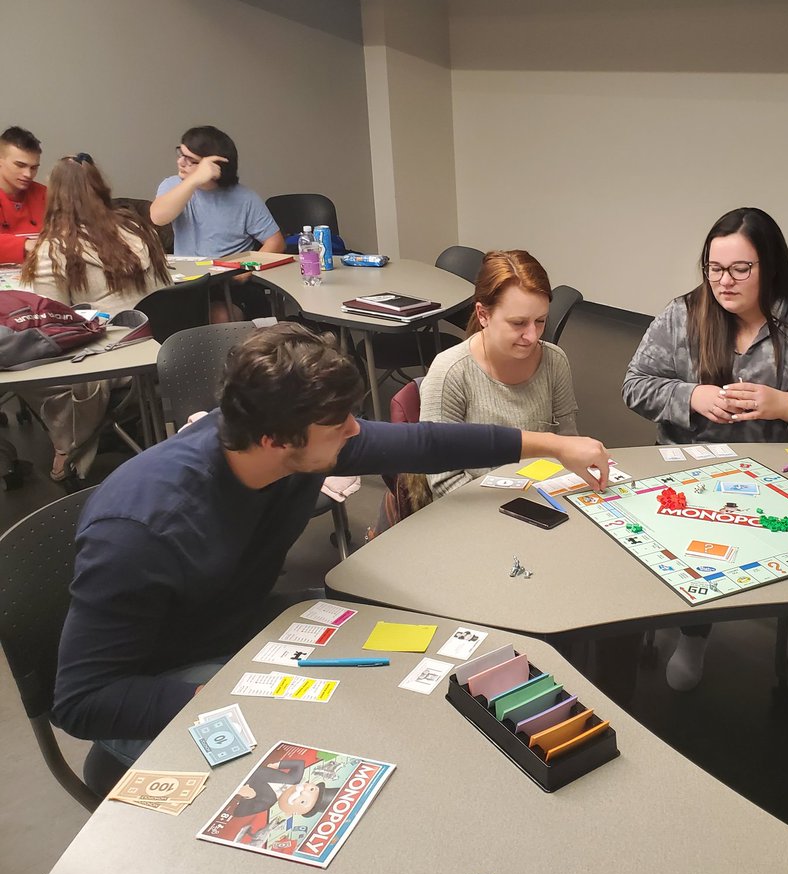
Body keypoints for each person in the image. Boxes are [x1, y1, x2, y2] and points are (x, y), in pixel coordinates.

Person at [52, 322, 610, 761]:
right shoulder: (139, 532)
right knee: (336, 748)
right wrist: (243, 696)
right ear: (274, 440)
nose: (354, 431)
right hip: (166, 684)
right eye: (338, 423)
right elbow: (83, 702)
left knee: (411, 654)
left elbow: (423, 442)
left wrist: (551, 445)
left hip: (243, 627)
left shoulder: (291, 434)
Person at [622, 207, 788, 713]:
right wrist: (690, 396)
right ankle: (694, 634)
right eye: (714, 269)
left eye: (741, 269)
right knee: (692, 542)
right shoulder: (684, 313)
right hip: (701, 468)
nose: (724, 282)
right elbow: (634, 385)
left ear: (771, 265)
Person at [17, 153, 171, 480]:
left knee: (23, 370)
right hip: (163, 348)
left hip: (112, 362)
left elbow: (50, 324)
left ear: (54, 196)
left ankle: (70, 440)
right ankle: (88, 431)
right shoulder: (138, 229)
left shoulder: (55, 248)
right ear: (101, 187)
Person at [420, 249, 578, 497]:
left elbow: (568, 443)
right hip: (477, 508)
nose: (533, 336)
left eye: (540, 321)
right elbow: (443, 481)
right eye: (518, 323)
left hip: (543, 495)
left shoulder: (554, 361)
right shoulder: (450, 372)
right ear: (483, 315)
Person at [149, 125, 284, 257]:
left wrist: (246, 271)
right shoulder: (172, 185)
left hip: (228, 275)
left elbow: (276, 243)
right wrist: (194, 180)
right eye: (181, 154)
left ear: (215, 167)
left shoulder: (246, 198)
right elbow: (158, 217)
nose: (180, 162)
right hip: (188, 276)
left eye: (191, 160)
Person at [0, 126, 44, 264]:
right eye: (20, 165)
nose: (28, 174)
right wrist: (25, 245)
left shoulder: (47, 195)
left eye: (34, 168)